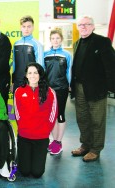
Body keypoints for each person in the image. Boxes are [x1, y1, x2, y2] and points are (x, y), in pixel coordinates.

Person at [70, 15, 115, 162]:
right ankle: (86, 144)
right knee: (82, 118)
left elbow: (111, 66)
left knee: (97, 120)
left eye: (87, 24)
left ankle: (96, 149)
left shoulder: (103, 42)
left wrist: (111, 87)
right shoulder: (77, 43)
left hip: (96, 89)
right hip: (79, 88)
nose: (83, 27)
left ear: (93, 26)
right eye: (81, 25)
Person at [14, 63, 57, 178]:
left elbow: (53, 114)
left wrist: (46, 130)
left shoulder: (50, 92)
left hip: (41, 137)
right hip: (24, 137)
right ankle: (23, 157)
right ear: (26, 75)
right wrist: (23, 129)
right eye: (30, 73)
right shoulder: (18, 91)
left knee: (37, 173)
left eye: (35, 73)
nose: (33, 75)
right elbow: (17, 113)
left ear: (40, 75)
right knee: (24, 171)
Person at [44, 29, 72, 155]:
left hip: (62, 89)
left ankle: (59, 142)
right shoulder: (45, 54)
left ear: (61, 39)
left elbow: (69, 71)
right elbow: (43, 73)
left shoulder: (66, 55)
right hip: (49, 90)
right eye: (53, 38)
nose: (55, 40)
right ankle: (54, 141)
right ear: (50, 40)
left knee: (60, 114)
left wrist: (70, 85)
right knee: (51, 116)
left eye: (58, 38)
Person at [12, 15, 44, 92]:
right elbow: (14, 64)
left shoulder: (37, 44)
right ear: (21, 28)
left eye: (29, 26)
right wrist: (13, 82)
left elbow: (40, 66)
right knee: (16, 104)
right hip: (17, 81)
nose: (26, 29)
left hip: (31, 82)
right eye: (24, 26)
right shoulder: (16, 44)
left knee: (30, 104)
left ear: (33, 27)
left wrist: (39, 83)